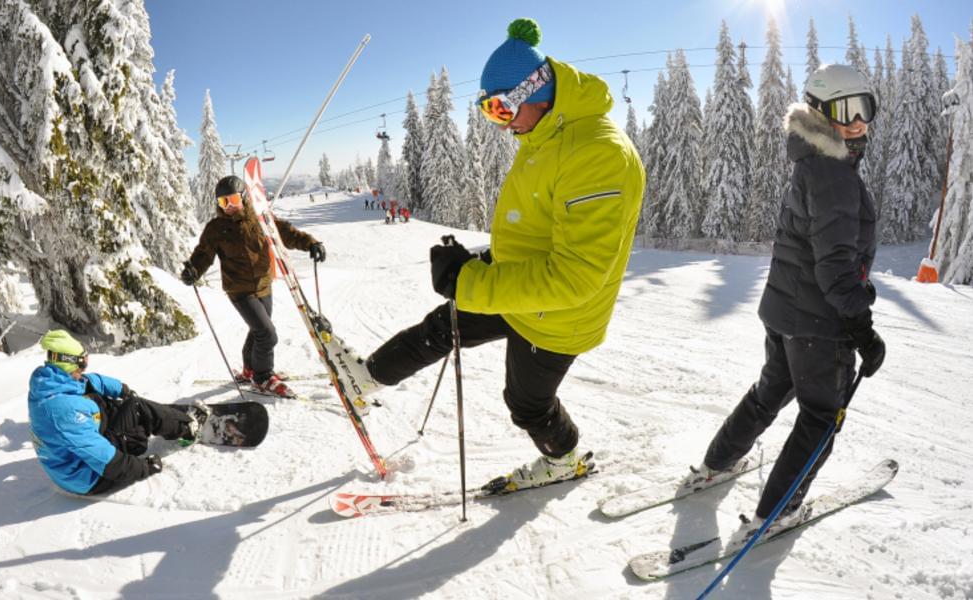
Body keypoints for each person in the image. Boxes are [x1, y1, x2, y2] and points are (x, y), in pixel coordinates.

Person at [332, 18, 645, 490]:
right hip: (522, 286)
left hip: (558, 316)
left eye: (501, 108)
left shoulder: (596, 154)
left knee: (526, 404)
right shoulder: (544, 133)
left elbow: (577, 276)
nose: (500, 122)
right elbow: (539, 227)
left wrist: (472, 281)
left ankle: (565, 460)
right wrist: (475, 262)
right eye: (488, 111)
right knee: (446, 323)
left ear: (535, 89)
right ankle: (369, 378)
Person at [691, 64, 886, 537]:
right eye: (846, 110)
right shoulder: (835, 173)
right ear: (820, 113)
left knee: (768, 394)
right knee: (820, 417)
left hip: (785, 313)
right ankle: (776, 512)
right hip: (819, 325)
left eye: (866, 108)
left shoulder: (812, 161)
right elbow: (834, 266)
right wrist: (862, 326)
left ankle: (715, 464)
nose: (859, 121)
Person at [181, 175, 326, 397]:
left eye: (233, 200)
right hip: (239, 291)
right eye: (223, 202)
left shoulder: (261, 219)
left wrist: (311, 243)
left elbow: (286, 233)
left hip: (264, 285)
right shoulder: (216, 228)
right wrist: (193, 269)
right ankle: (262, 377)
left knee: (258, 330)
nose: (229, 207)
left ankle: (250, 369)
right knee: (267, 334)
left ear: (244, 198)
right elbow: (203, 254)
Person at [28, 330, 208, 496]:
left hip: (72, 467)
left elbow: (91, 381)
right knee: (137, 409)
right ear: (66, 364)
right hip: (91, 477)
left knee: (101, 400)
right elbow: (106, 460)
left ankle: (156, 417)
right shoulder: (64, 411)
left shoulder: (48, 386)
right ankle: (189, 427)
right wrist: (144, 467)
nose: (83, 370)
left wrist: (122, 390)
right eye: (81, 366)